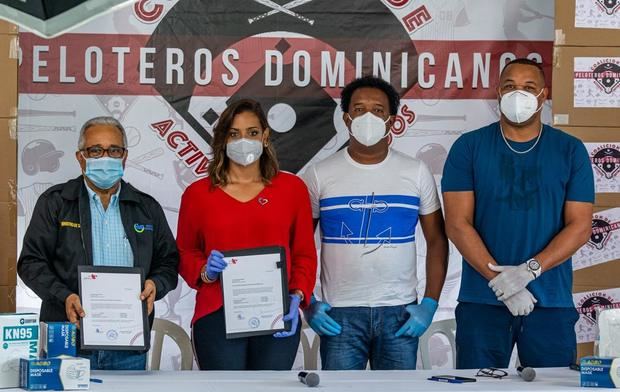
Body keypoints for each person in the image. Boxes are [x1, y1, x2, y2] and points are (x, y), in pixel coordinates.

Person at [442, 58, 594, 369]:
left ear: (543, 95)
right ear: (498, 93)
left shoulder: (570, 150)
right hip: (482, 300)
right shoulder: (468, 147)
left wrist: (529, 271)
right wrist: (501, 282)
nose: (518, 94)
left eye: (528, 87)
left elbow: (579, 227)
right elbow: (458, 224)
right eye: (510, 86)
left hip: (549, 299)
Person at [302, 76, 449, 370]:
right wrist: (309, 304)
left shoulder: (416, 171)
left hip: (400, 313)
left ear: (392, 121)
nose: (368, 116)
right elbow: (301, 247)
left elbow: (437, 241)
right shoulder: (320, 174)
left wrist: (430, 304)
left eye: (378, 110)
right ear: (346, 118)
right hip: (339, 313)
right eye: (359, 109)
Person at [18, 116, 179, 370]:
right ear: (80, 157)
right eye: (95, 150)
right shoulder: (56, 203)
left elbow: (169, 262)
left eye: (114, 150)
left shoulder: (146, 208)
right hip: (68, 341)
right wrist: (65, 297)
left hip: (129, 344)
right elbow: (30, 263)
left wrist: (155, 284)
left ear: (124, 157)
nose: (106, 157)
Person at [176, 98, 316, 370]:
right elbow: (184, 252)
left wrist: (297, 295)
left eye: (252, 132)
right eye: (234, 133)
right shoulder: (197, 194)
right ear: (222, 140)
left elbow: (304, 253)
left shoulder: (292, 188)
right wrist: (205, 271)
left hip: (276, 312)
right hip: (216, 314)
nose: (244, 140)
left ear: (265, 136)